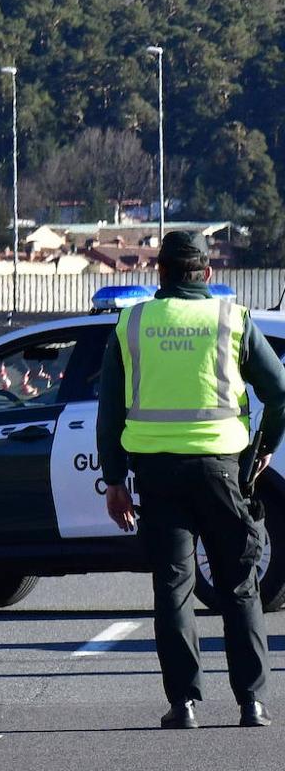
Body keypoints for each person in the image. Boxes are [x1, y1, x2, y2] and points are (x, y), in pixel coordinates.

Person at [98, 230, 285, 729]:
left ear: (159, 272)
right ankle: (253, 703)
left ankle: (184, 705)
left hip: (157, 474)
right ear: (207, 274)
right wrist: (263, 448)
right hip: (221, 470)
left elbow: (110, 410)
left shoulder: (131, 322)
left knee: (173, 589)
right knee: (240, 585)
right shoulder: (232, 319)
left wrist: (114, 478)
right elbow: (281, 390)